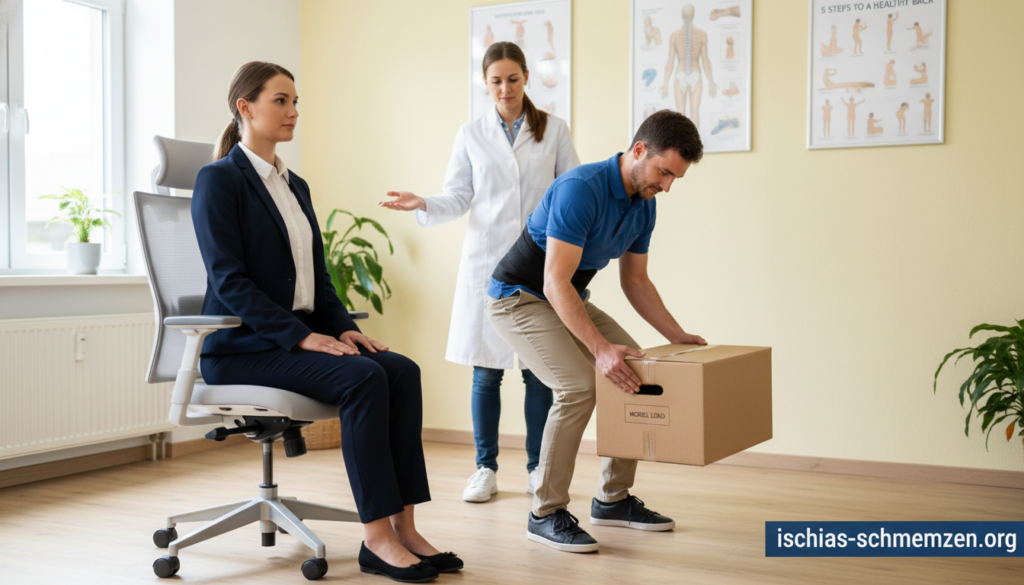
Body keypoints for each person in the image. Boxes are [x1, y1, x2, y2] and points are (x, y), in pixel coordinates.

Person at [191, 61, 461, 583]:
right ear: (245, 108)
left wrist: (340, 328)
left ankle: (405, 527)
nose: (294, 112)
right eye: (281, 101)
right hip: (242, 348)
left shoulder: (296, 185)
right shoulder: (219, 181)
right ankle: (376, 539)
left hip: (293, 342)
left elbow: (319, 278)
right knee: (363, 378)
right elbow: (230, 282)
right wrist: (302, 336)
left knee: (399, 369)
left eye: (296, 102)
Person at [485, 110, 707, 553]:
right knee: (578, 387)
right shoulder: (580, 190)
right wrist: (601, 350)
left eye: (674, 178)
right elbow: (553, 282)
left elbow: (636, 281)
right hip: (518, 298)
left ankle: (612, 499)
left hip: (564, 297)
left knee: (637, 372)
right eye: (665, 172)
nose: (666, 186)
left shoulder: (644, 206)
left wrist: (676, 333)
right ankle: (544, 512)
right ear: (639, 151)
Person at [380, 42, 580, 504]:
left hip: (537, 264)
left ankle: (536, 467)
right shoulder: (470, 134)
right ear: (485, 83)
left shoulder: (554, 130)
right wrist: (423, 202)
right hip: (488, 264)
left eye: (512, 78)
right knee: (486, 373)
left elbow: (572, 191)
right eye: (496, 80)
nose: (505, 88)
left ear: (526, 77)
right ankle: (485, 468)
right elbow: (459, 196)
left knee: (538, 371)